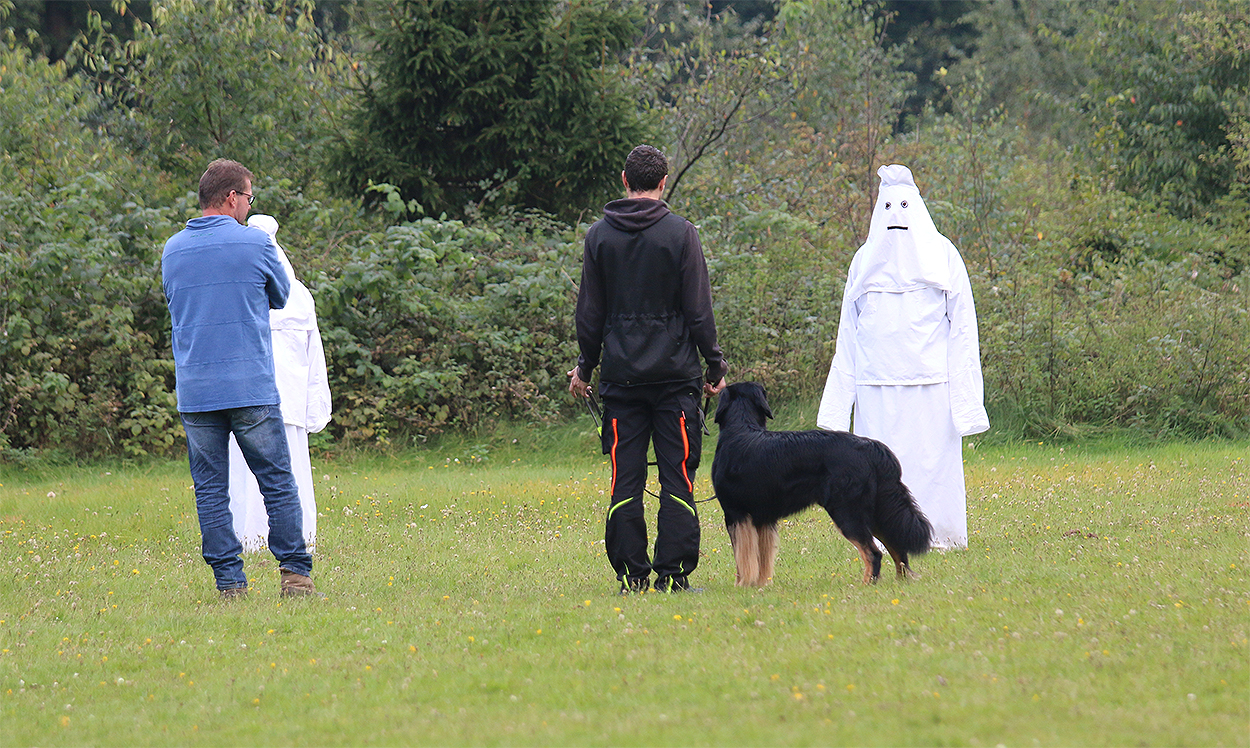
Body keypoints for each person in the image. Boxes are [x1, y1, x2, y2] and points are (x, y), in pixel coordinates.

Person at [568, 144, 728, 594]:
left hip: (621, 382)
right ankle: (673, 577)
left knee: (625, 480)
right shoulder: (682, 234)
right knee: (678, 478)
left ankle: (632, 577)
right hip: (676, 382)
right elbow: (699, 310)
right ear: (663, 182)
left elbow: (589, 315)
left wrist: (585, 368)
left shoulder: (599, 236)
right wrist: (714, 365)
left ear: (624, 180)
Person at [162, 158, 322, 599]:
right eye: (249, 198)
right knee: (277, 481)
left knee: (211, 490)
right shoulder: (256, 243)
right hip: (250, 384)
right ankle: (295, 576)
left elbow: (176, 302)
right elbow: (282, 296)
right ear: (232, 197)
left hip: (196, 390)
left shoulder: (173, 249)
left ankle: (230, 584)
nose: (250, 206)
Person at [816, 164, 989, 549]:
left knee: (932, 464)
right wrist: (837, 409)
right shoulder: (863, 261)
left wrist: (965, 403)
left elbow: (963, 329)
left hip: (931, 387)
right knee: (878, 467)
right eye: (888, 206)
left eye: (904, 206)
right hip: (876, 387)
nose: (896, 216)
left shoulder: (944, 255)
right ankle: (882, 534)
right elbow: (847, 335)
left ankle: (939, 533)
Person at [227, 214, 332, 554]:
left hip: (259, 398)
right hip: (264, 398)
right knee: (274, 472)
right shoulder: (295, 295)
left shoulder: (282, 295)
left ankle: (261, 537)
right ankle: (265, 538)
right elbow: (315, 358)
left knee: (266, 471)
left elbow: (313, 355)